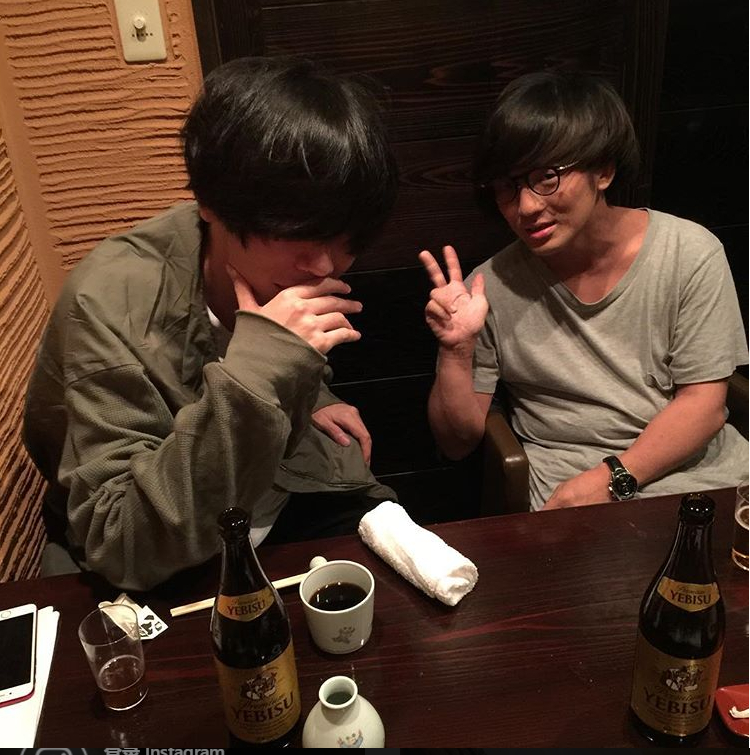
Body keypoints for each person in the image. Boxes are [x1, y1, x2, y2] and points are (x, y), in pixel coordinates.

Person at [23, 56, 399, 590]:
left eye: (347, 240)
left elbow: (272, 353)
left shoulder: (286, 266)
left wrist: (314, 393)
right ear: (210, 204)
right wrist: (259, 373)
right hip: (174, 555)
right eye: (298, 234)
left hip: (278, 495)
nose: (324, 267)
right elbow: (118, 538)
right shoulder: (108, 304)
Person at [419, 70, 748, 511]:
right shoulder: (486, 289)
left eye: (547, 177)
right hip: (570, 497)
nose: (526, 207)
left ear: (604, 170)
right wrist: (456, 351)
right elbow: (457, 442)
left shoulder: (688, 252)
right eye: (508, 186)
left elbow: (703, 404)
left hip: (706, 480)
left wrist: (612, 477)